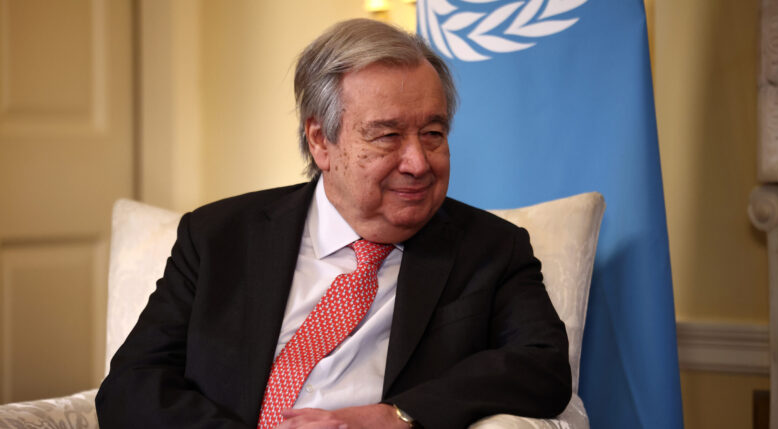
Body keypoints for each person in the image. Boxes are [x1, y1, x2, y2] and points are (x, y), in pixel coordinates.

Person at [96, 18, 571, 429]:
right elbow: (132, 384)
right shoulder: (218, 236)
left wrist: (402, 415)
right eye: (387, 136)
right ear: (321, 141)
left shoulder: (491, 249)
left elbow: (544, 367)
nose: (418, 162)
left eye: (433, 134)